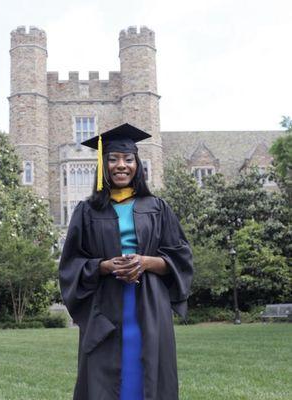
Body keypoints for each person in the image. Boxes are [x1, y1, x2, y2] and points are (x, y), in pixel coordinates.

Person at [59, 123, 194, 400]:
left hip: (150, 307)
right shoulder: (86, 211)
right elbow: (70, 264)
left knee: (148, 377)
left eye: (128, 159)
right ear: (103, 164)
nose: (121, 165)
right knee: (103, 381)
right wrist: (104, 266)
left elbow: (181, 257)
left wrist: (145, 262)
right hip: (105, 308)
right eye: (113, 159)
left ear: (137, 165)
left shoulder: (157, 207)